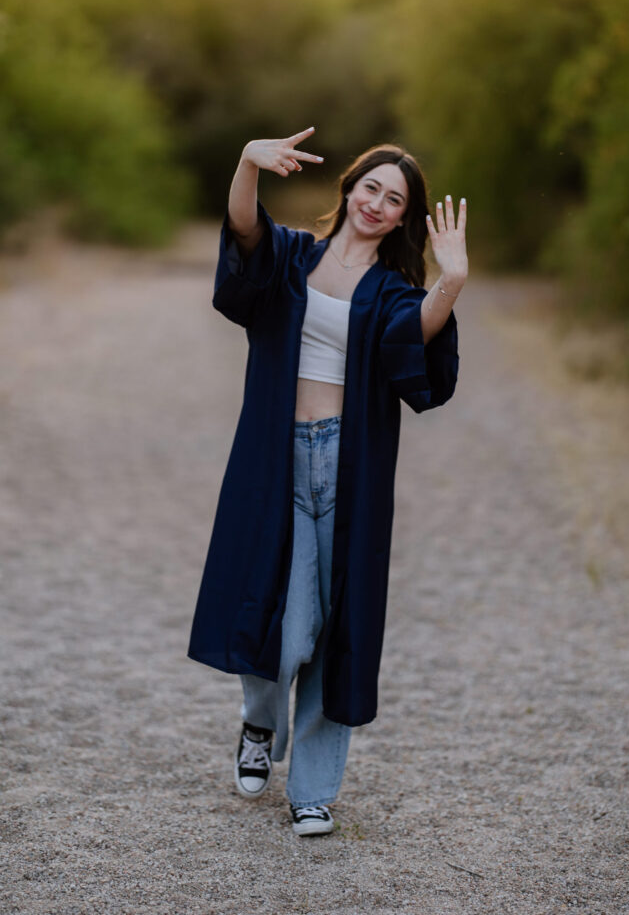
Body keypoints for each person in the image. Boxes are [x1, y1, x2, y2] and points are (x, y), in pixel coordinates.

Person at [187, 127, 467, 836]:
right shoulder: (291, 258)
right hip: (275, 459)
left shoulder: (391, 291)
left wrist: (451, 280)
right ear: (348, 189)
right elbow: (244, 233)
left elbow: (417, 342)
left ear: (403, 218)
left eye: (394, 199)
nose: (377, 203)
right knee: (280, 630)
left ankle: (312, 789)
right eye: (370, 186)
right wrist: (247, 162)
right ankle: (258, 723)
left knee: (330, 625)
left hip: (346, 466)